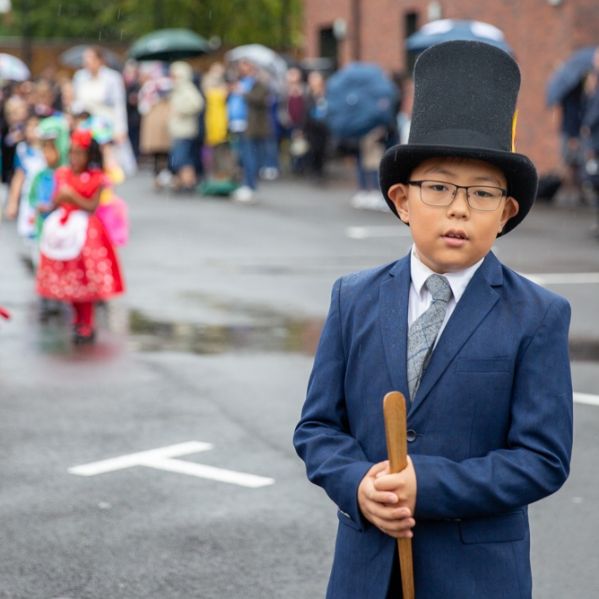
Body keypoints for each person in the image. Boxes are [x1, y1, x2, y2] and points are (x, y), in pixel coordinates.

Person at [294, 41, 573, 599]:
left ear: (507, 212)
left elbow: (542, 459)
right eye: (439, 187)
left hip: (477, 580)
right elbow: (318, 428)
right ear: (401, 200)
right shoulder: (354, 298)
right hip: (366, 572)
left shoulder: (537, 315)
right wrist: (358, 484)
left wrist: (430, 483)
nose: (459, 208)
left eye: (482, 193)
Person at [36, 129, 124, 344]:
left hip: (86, 233)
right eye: (72, 153)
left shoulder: (96, 178)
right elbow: (55, 201)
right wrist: (49, 205)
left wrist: (72, 197)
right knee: (70, 282)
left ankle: (87, 322)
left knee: (86, 282)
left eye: (80, 153)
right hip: (64, 232)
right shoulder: (63, 174)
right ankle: (77, 320)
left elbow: (92, 206)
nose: (75, 158)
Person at [73, 46, 136, 176]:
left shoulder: (112, 78)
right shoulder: (80, 77)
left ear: (99, 60)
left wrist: (120, 129)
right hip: (85, 125)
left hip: (106, 125)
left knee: (108, 162)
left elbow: (119, 105)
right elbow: (77, 102)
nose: (87, 62)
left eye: (90, 58)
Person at [168, 61, 204, 193]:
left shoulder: (187, 88)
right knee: (181, 158)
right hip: (178, 130)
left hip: (185, 130)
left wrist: (181, 110)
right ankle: (184, 181)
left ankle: (188, 182)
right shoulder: (178, 88)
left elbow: (197, 104)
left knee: (182, 158)